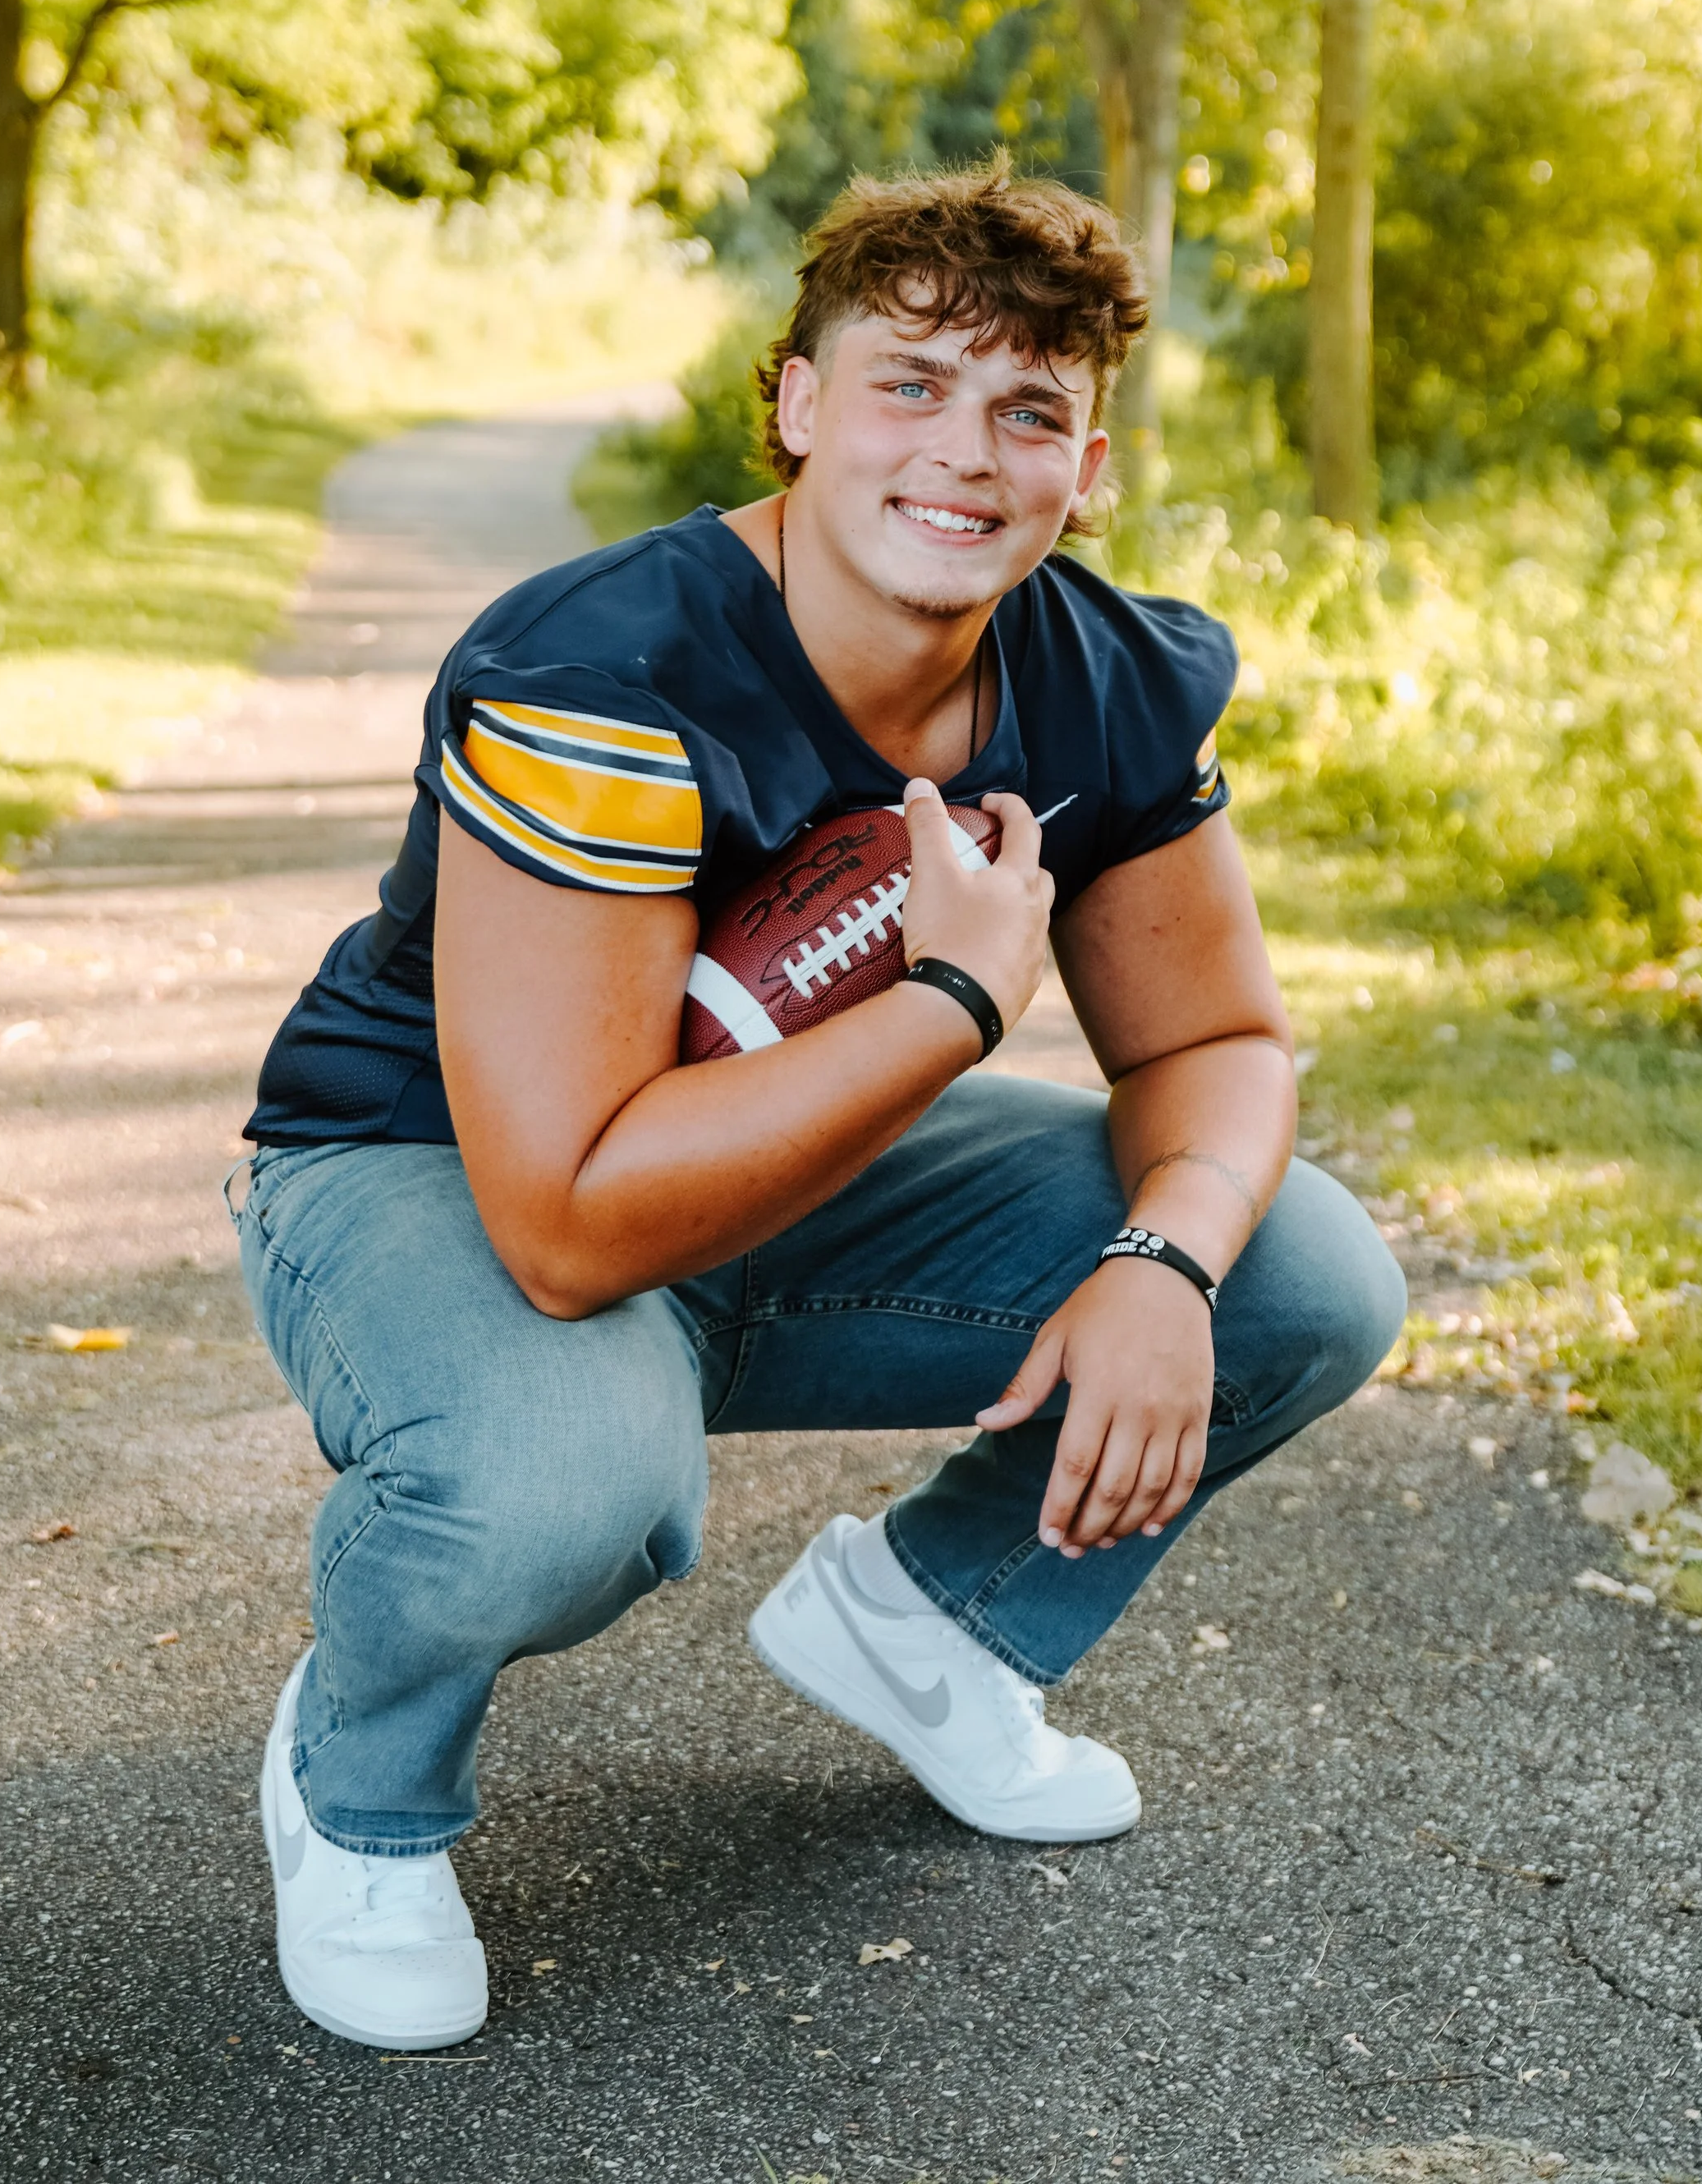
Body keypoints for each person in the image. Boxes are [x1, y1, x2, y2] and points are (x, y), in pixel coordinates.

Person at [232, 165, 1406, 2052]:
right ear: (792, 400)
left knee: (1300, 1274)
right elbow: (566, 1220)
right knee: (564, 1482)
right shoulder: (602, 674)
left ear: (1085, 462)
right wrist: (950, 1000)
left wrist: (1159, 1264)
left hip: (788, 1171)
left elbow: (1218, 1052)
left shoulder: (1102, 674)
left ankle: (932, 1627)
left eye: (1027, 409)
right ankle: (356, 1785)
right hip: (445, 1172)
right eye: (910, 383)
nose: (965, 451)